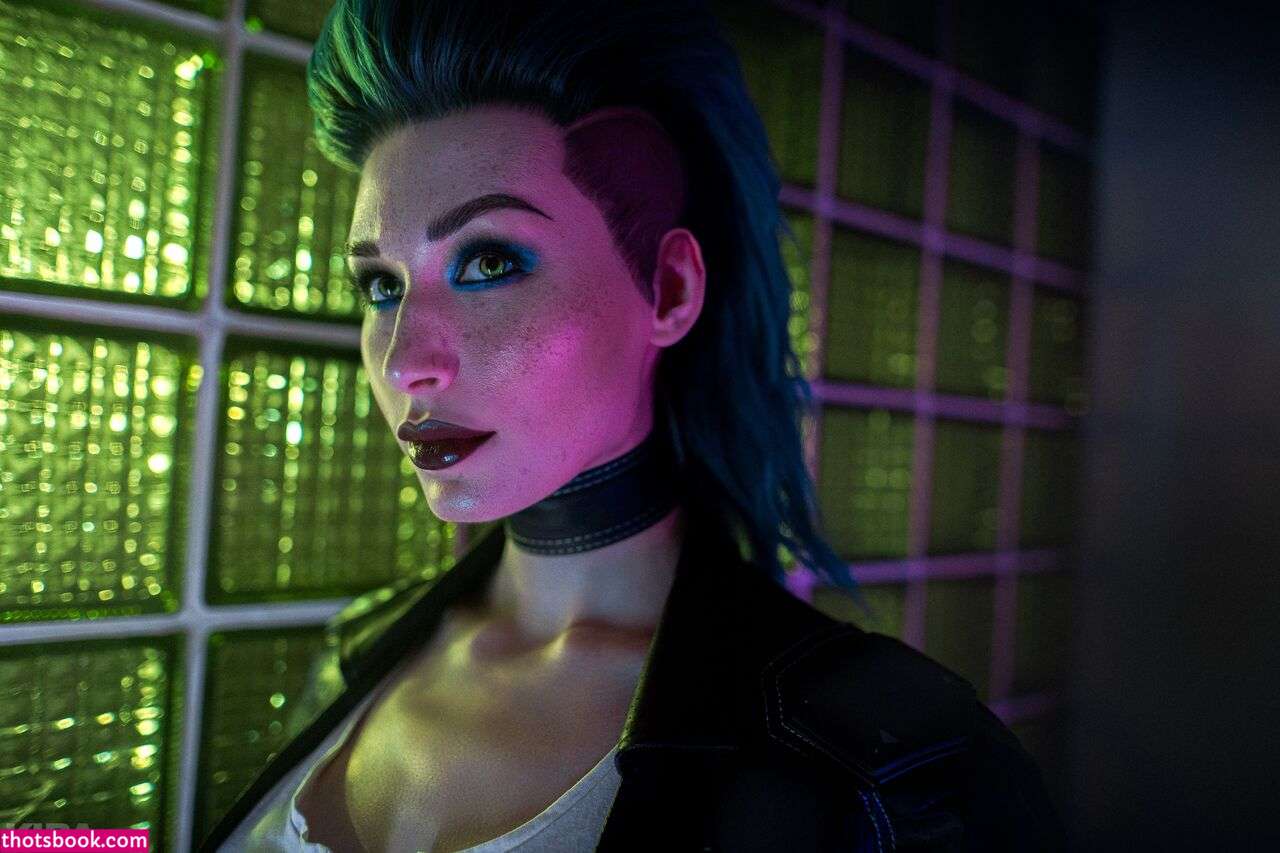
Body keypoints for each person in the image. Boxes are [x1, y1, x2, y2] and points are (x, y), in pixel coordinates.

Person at [200, 1, 1066, 850]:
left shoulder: (892, 766)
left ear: (670, 289)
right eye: (382, 285)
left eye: (489, 261)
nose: (403, 362)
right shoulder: (353, 653)